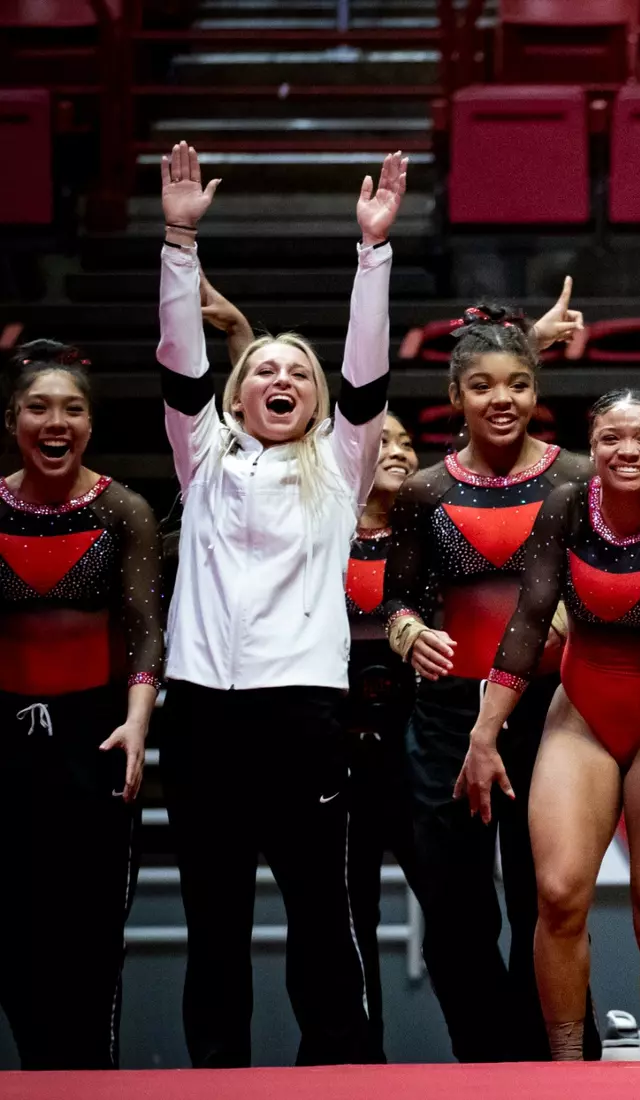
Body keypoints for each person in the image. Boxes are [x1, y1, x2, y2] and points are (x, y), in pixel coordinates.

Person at [156, 141, 407, 1066]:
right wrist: (179, 242)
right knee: (212, 928)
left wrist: (373, 253)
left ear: (317, 401)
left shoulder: (339, 470)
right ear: (237, 392)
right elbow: (179, 362)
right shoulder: (204, 459)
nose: (283, 381)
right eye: (265, 369)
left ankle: (338, 1075)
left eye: (299, 374)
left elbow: (369, 372)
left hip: (303, 714)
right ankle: (215, 1081)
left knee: (320, 920)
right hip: (202, 718)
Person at [463, 390, 640, 1061]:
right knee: (556, 895)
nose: (627, 451)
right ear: (592, 446)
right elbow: (528, 620)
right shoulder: (565, 508)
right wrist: (485, 731)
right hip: (579, 717)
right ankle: (567, 1065)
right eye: (611, 437)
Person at [380, 291, 602, 1062]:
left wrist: (581, 612)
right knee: (454, 909)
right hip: (447, 717)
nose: (500, 400)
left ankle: (560, 1062)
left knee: (548, 901)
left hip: (552, 715)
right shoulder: (424, 493)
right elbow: (398, 595)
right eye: (482, 386)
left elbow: (616, 576)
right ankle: (485, 1061)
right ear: (455, 397)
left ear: (536, 390)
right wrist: (407, 632)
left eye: (516, 384)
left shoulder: (578, 479)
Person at [0, 342, 161, 1069]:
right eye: (39, 407)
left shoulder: (122, 509)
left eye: (71, 408)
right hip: (6, 741)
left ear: (90, 425)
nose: (55, 420)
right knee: (15, 928)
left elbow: (146, 630)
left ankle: (90, 1077)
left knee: (90, 928)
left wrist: (135, 721)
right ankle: (38, 1071)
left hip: (97, 736)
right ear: (13, 422)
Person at [343, 410, 423, 1060]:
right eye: (381, 441)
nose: (398, 449)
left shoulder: (437, 530)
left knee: (458, 916)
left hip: (425, 741)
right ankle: (354, 1063)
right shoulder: (320, 534)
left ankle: (493, 1065)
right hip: (337, 745)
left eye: (405, 441)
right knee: (346, 921)